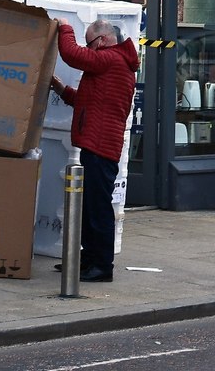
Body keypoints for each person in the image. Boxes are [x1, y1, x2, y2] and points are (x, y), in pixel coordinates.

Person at [51, 18, 139, 282]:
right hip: (98, 144)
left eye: (89, 42)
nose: (88, 48)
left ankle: (102, 266)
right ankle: (88, 259)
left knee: (98, 208)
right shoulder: (113, 64)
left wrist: (64, 26)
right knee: (90, 207)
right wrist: (61, 89)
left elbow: (71, 54)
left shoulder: (110, 59)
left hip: (101, 146)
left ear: (101, 40)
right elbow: (89, 101)